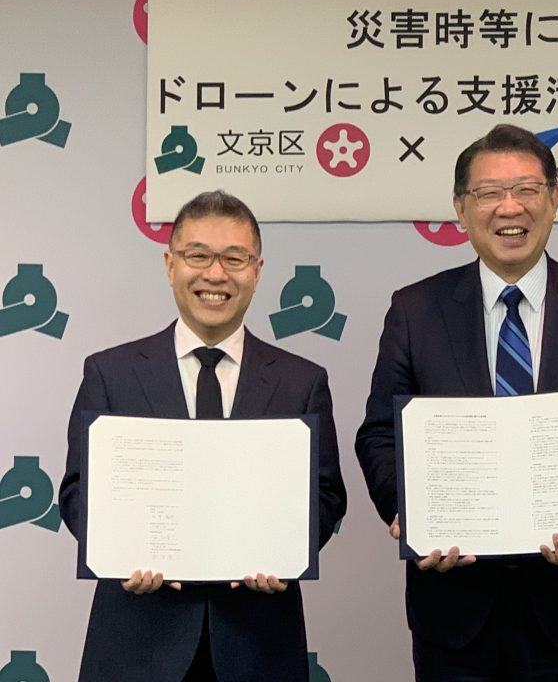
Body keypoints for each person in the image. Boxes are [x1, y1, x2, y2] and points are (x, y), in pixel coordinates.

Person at [355, 124, 558, 680]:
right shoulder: (415, 310)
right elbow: (379, 433)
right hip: (452, 606)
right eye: (489, 193)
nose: (509, 207)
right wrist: (410, 514)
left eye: (527, 189)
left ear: (554, 198)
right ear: (460, 208)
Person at [59, 190, 346, 682]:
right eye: (198, 256)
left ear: (257, 270)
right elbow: (76, 491)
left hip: (259, 644)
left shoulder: (301, 381)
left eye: (234, 258)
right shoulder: (111, 372)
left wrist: (287, 552)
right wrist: (119, 550)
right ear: (170, 264)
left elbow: (326, 494)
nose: (215, 275)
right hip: (136, 644)